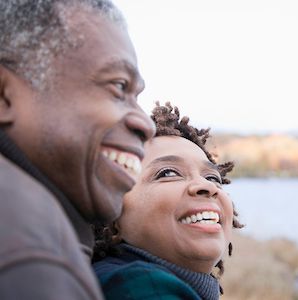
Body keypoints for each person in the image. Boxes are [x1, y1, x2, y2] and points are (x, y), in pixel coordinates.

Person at [0, 1, 155, 299]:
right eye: (119, 86)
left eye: (137, 96)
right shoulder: (34, 256)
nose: (146, 124)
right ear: (4, 95)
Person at [93, 102, 244, 300]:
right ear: (109, 209)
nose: (206, 186)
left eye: (212, 178)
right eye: (168, 173)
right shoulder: (137, 285)